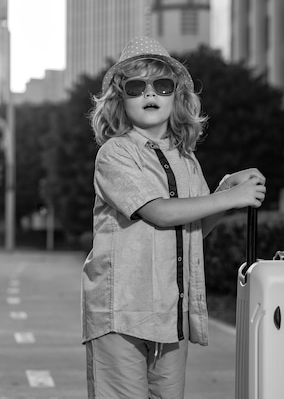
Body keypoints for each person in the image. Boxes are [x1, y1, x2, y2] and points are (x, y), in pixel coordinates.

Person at [81, 37, 267, 399]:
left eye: (161, 85)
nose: (150, 94)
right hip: (121, 311)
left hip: (170, 311)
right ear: (120, 99)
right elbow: (158, 212)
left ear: (176, 95)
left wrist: (226, 194)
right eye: (136, 87)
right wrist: (228, 195)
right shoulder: (115, 153)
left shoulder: (185, 159)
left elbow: (193, 229)